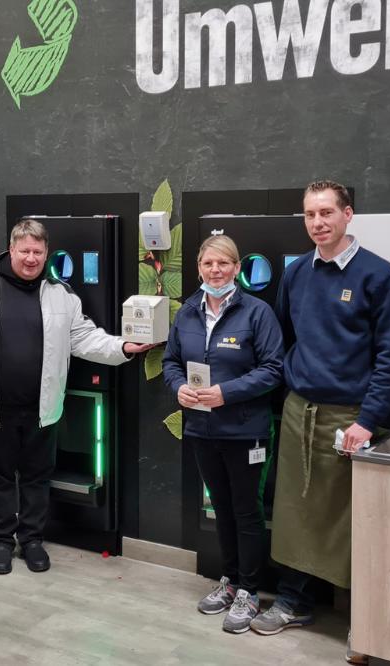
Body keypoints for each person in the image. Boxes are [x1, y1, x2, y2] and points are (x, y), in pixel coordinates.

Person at [249, 182, 390, 664]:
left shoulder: (378, 276)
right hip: (301, 411)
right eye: (309, 215)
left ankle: (367, 620)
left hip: (352, 419)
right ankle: (295, 602)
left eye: (326, 213)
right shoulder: (296, 273)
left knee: (352, 519)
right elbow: (284, 337)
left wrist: (368, 421)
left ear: (348, 215)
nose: (317, 223)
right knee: (298, 511)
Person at [0, 219, 155, 575]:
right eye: (24, 250)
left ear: (45, 253)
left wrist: (124, 347)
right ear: (11, 249)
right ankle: (1, 541)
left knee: (37, 477)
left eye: (37, 252)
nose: (30, 258)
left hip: (43, 407)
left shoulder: (61, 294)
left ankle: (32, 539)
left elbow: (85, 338)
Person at [162, 235, 284, 634]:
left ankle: (251, 590)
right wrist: (177, 385)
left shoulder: (257, 312)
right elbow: (170, 361)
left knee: (247, 511)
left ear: (236, 268)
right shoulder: (187, 313)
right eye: (209, 264)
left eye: (224, 264)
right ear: (199, 268)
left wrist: (225, 393)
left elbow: (273, 369)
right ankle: (230, 582)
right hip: (201, 429)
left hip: (245, 432)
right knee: (221, 509)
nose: (216, 271)